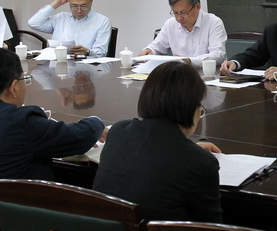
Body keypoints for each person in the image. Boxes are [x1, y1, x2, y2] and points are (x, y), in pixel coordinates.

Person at [0, 48, 105, 181]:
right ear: (14, 87)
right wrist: (96, 122)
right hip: (17, 213)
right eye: (25, 80)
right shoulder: (22, 123)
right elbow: (80, 138)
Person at [94, 60, 223, 222]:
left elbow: (152, 154)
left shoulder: (118, 131)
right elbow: (211, 230)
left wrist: (191, 150)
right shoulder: (201, 163)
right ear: (192, 109)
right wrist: (193, 154)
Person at [139, 0, 226, 67]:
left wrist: (190, 61)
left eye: (183, 13)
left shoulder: (213, 22)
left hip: (207, 75)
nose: (179, 18)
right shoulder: (170, 24)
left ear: (197, 7)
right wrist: (149, 50)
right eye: (175, 13)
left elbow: (218, 55)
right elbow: (156, 47)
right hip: (179, 74)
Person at [27, 0, 112, 57]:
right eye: (74, 6)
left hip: (86, 66)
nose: (79, 10)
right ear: (69, 2)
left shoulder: (102, 21)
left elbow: (101, 53)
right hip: (57, 64)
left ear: (91, 1)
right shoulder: (61, 18)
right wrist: (57, 3)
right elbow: (33, 23)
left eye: (83, 6)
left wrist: (87, 51)